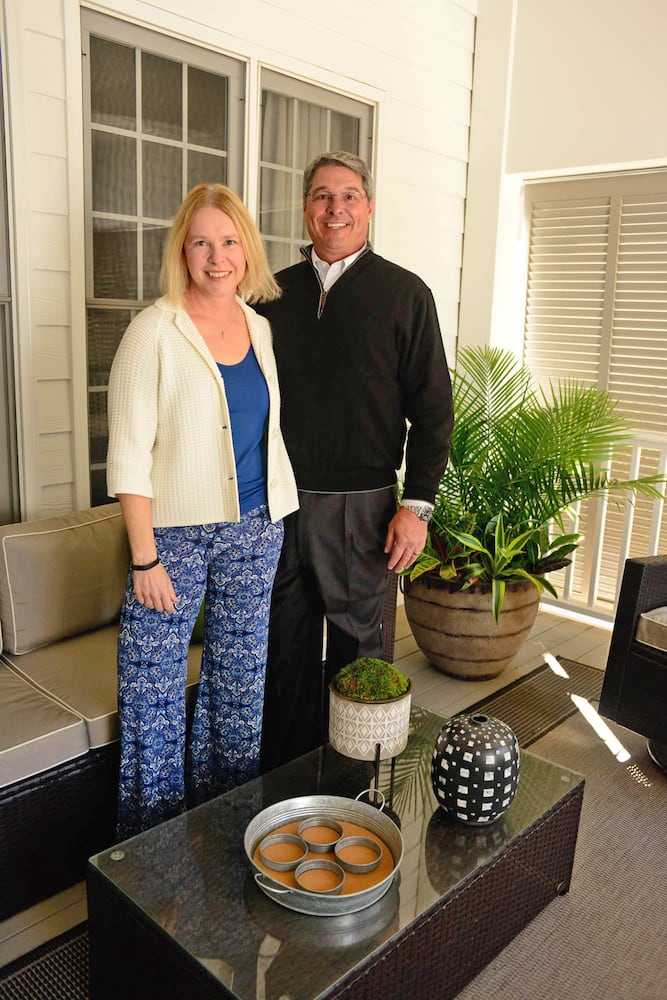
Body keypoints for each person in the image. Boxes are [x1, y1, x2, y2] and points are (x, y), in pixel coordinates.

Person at [107, 183, 298, 839]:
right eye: (201, 243)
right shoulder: (152, 331)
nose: (217, 257)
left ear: (246, 249)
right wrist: (145, 558)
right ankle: (150, 849)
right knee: (152, 691)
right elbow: (129, 454)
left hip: (256, 529)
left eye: (228, 241)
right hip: (173, 542)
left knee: (237, 688)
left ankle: (224, 831)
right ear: (181, 251)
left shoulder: (260, 327)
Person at [257, 151, 454, 770]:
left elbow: (433, 412)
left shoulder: (404, 294)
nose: (334, 208)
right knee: (282, 656)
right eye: (321, 195)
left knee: (360, 661)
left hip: (363, 509)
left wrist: (416, 507)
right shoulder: (269, 296)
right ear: (305, 208)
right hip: (278, 504)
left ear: (369, 208)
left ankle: (357, 789)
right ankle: (284, 793)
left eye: (348, 196)